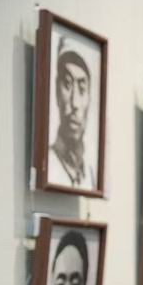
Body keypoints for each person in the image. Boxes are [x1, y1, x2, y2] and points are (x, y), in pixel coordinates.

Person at [49, 38, 95, 189]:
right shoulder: (49, 164)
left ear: (90, 98)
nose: (74, 102)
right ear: (56, 91)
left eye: (82, 89)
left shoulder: (92, 174)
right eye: (67, 84)